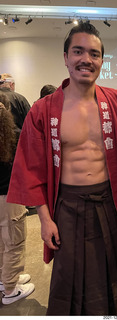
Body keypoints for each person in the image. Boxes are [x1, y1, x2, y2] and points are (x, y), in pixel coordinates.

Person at [7, 22, 117, 316]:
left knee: (113, 269)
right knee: (70, 275)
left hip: (109, 203)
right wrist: (44, 219)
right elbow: (31, 169)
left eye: (94, 53)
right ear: (65, 57)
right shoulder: (43, 109)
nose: (86, 59)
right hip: (66, 207)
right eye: (78, 51)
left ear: (102, 61)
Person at [0, 93, 35, 305]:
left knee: (1, 243)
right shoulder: (14, 136)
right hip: (9, 199)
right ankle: (11, 289)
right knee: (14, 242)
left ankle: (4, 279)